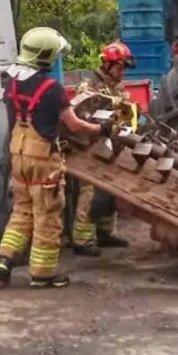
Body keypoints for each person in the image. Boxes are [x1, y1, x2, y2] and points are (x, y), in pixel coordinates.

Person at [0, 27, 112, 289]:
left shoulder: (12, 83)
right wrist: (101, 129)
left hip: (18, 157)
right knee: (47, 216)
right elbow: (74, 124)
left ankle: (4, 260)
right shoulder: (52, 89)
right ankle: (42, 274)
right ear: (45, 55)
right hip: (43, 160)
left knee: (22, 211)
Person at [68, 41, 136, 256]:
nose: (123, 72)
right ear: (107, 64)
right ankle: (82, 240)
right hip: (89, 147)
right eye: (120, 67)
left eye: (124, 68)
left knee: (111, 190)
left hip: (110, 146)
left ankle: (106, 233)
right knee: (90, 192)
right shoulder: (89, 86)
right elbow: (83, 114)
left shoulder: (118, 87)